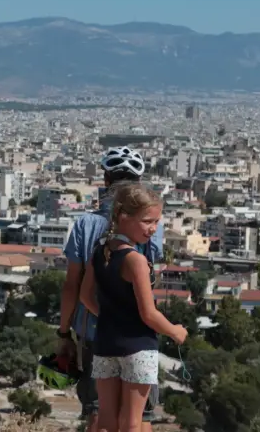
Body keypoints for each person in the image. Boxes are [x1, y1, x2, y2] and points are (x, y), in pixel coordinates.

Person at [58, 146, 164, 431]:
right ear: (138, 186)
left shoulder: (86, 225)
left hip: (94, 329)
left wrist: (64, 331)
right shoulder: (151, 225)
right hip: (137, 330)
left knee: (98, 412)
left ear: (106, 181)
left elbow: (72, 286)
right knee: (141, 415)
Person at [79, 182, 187, 432]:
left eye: (156, 222)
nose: (153, 229)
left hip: (105, 343)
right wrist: (175, 331)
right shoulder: (136, 260)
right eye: (148, 221)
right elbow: (148, 314)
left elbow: (85, 297)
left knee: (105, 421)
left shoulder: (100, 252)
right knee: (132, 423)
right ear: (124, 217)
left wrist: (109, 318)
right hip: (138, 347)